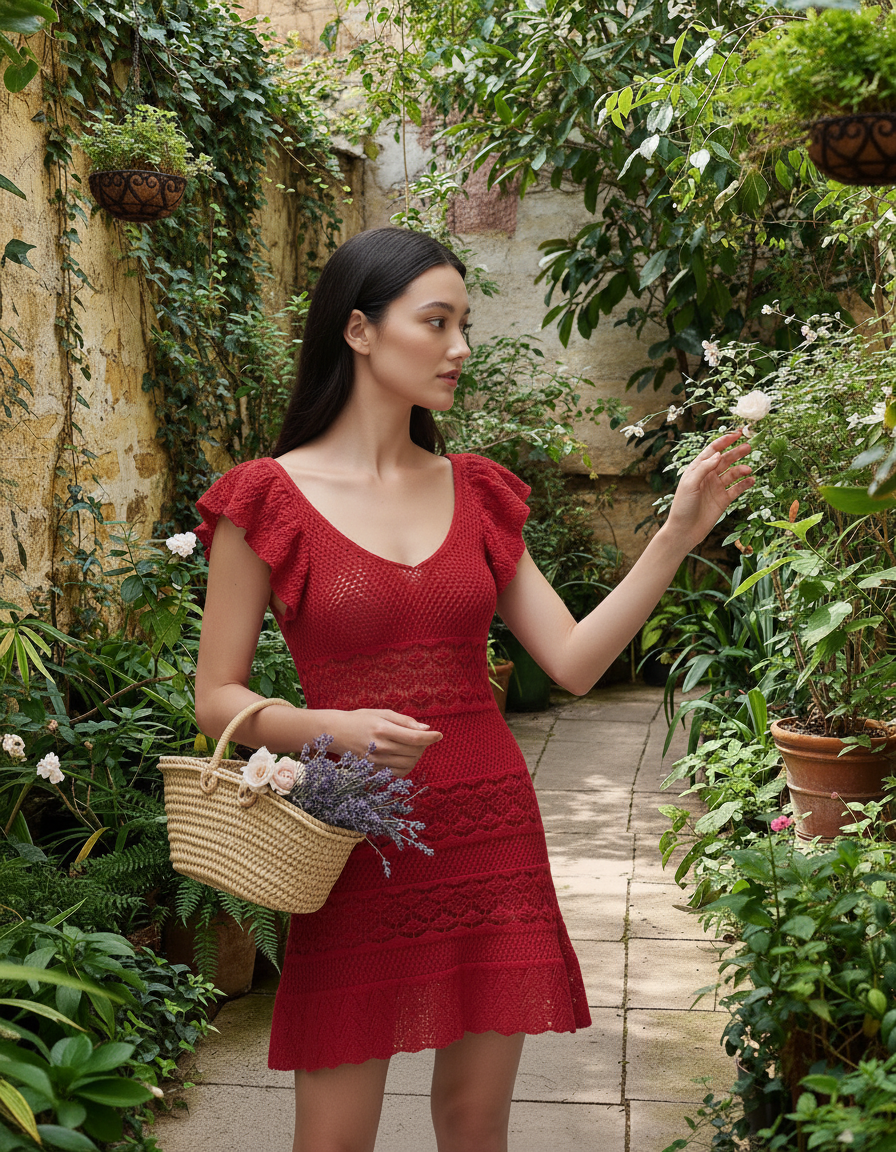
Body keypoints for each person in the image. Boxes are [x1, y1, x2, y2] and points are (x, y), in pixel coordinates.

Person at [193, 226, 753, 1152]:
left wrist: (675, 536)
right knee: (331, 1139)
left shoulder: (478, 491)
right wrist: (324, 727)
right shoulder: (266, 499)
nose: (461, 348)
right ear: (361, 331)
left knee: (475, 1123)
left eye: (466, 324)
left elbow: (572, 662)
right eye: (437, 321)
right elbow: (217, 698)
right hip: (356, 841)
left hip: (490, 833)